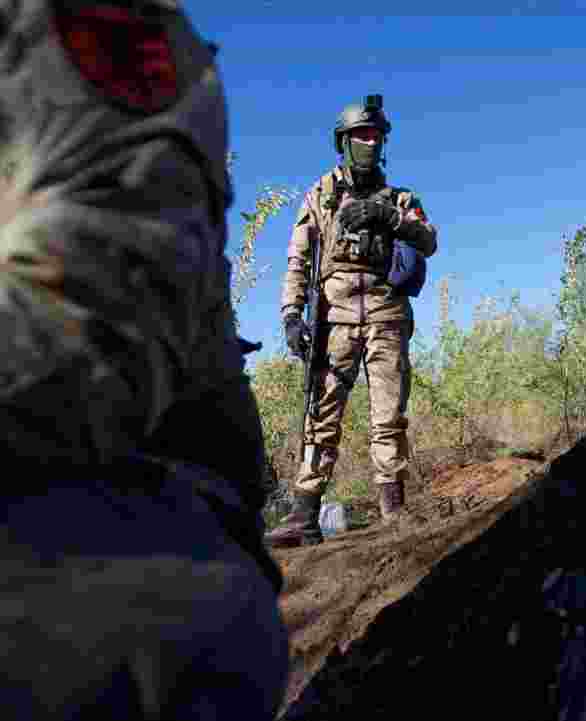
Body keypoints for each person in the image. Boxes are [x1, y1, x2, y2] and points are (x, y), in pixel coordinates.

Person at [0, 2, 287, 718]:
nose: (369, 146)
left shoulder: (84, 24)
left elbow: (99, 325)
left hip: (124, 490)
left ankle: (346, 506)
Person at [266, 94, 438, 547]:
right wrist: (290, 315)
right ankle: (305, 516)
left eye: (375, 134)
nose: (369, 141)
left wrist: (388, 217)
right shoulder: (320, 194)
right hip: (333, 318)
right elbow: (297, 261)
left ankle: (393, 513)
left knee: (388, 417)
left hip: (386, 315)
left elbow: (429, 239)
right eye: (360, 134)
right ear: (343, 142)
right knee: (320, 416)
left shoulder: (400, 199)